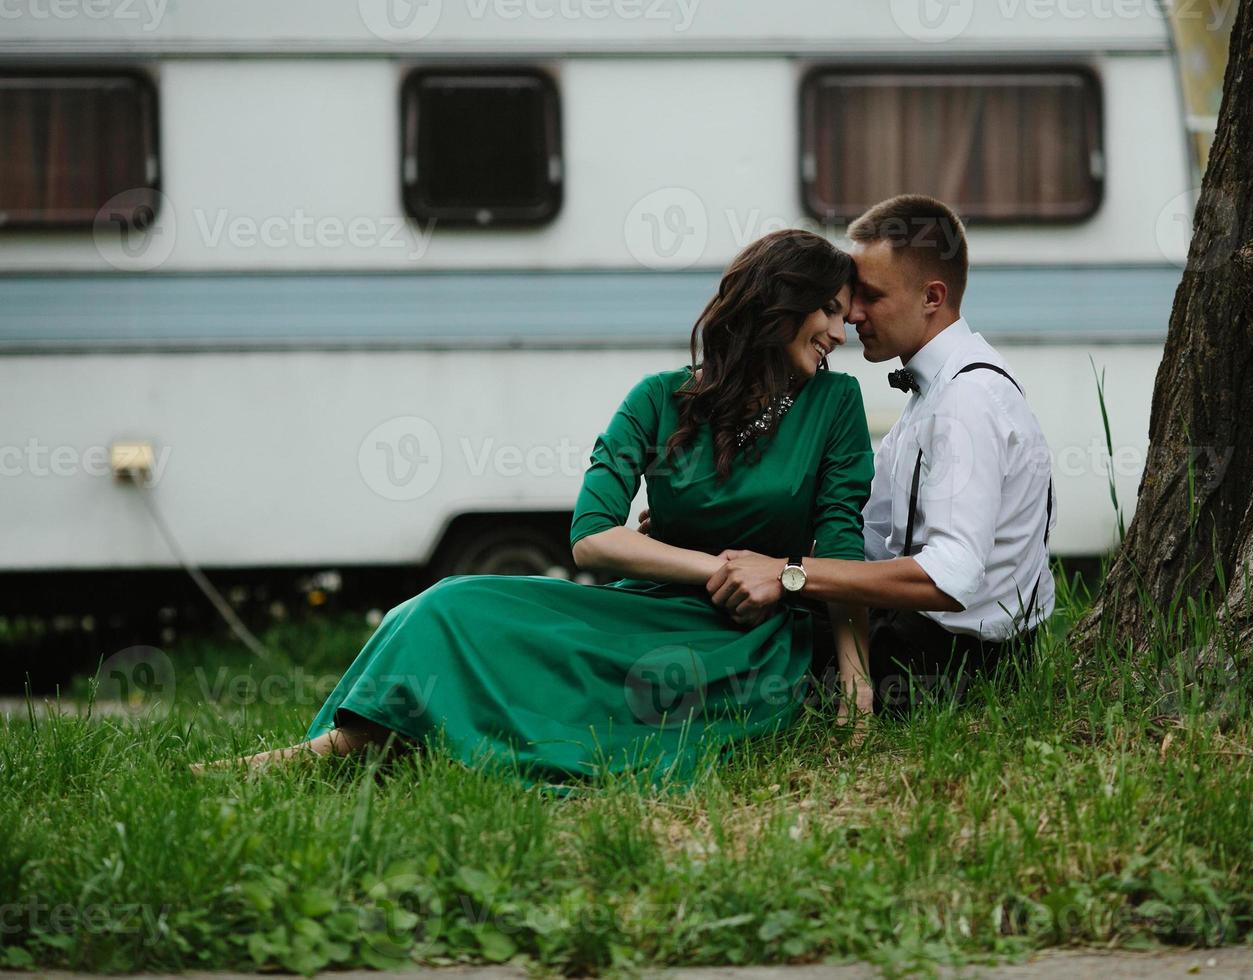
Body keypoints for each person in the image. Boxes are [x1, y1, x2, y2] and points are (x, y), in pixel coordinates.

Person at [190, 228, 877, 786]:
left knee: (617, 704)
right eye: (829, 313)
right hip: (639, 607)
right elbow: (592, 538)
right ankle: (333, 748)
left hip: (748, 642)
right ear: (777, 304)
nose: (840, 334)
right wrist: (718, 567)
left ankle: (299, 762)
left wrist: (854, 676)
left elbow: (839, 541)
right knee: (447, 605)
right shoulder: (658, 397)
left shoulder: (835, 404)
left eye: (846, 319)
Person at [641, 195, 1056, 718]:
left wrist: (788, 572)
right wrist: (712, 524)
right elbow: (866, 538)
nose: (852, 316)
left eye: (870, 297)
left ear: (932, 296)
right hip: (918, 633)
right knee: (724, 603)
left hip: (952, 665)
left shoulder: (967, 400)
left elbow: (950, 578)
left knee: (728, 646)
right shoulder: (936, 391)